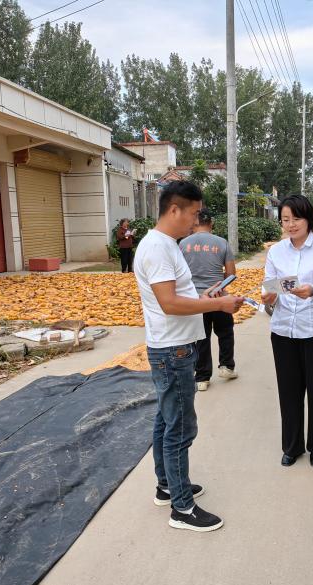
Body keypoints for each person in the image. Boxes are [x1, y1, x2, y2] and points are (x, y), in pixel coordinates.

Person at [133, 180, 244, 532]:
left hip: (172, 345)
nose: (196, 222)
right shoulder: (157, 248)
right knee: (181, 427)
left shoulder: (168, 245)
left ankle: (167, 486)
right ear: (174, 210)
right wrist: (218, 305)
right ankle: (182, 508)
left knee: (166, 420)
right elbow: (169, 303)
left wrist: (205, 297)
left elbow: (176, 294)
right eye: (194, 214)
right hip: (173, 349)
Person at [261, 194, 313, 468]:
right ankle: (292, 446)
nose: (291, 224)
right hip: (284, 331)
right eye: (285, 219)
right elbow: (270, 285)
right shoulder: (276, 251)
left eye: (296, 218)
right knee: (289, 391)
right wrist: (269, 295)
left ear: (309, 219)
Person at [181, 208, 238, 392]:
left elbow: (180, 275)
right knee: (225, 332)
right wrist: (219, 283)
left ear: (195, 223)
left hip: (196, 300)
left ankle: (202, 378)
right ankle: (226, 367)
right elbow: (231, 274)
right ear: (211, 223)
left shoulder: (183, 244)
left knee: (201, 337)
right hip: (219, 297)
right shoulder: (221, 243)